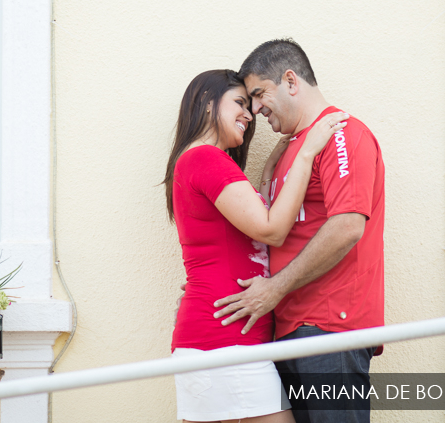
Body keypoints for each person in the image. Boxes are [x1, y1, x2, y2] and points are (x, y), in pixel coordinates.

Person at [212, 39, 385, 423]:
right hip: (291, 329)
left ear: (291, 81)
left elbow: (347, 226)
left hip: (328, 329)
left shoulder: (341, 133)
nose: (255, 110)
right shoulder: (293, 147)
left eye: (258, 94)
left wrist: (274, 289)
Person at [164, 69, 348, 423]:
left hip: (218, 339)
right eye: (239, 103)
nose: (249, 115)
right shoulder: (205, 158)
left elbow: (240, 234)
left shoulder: (197, 161)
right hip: (225, 342)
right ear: (205, 102)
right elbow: (271, 230)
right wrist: (308, 152)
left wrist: (268, 174)